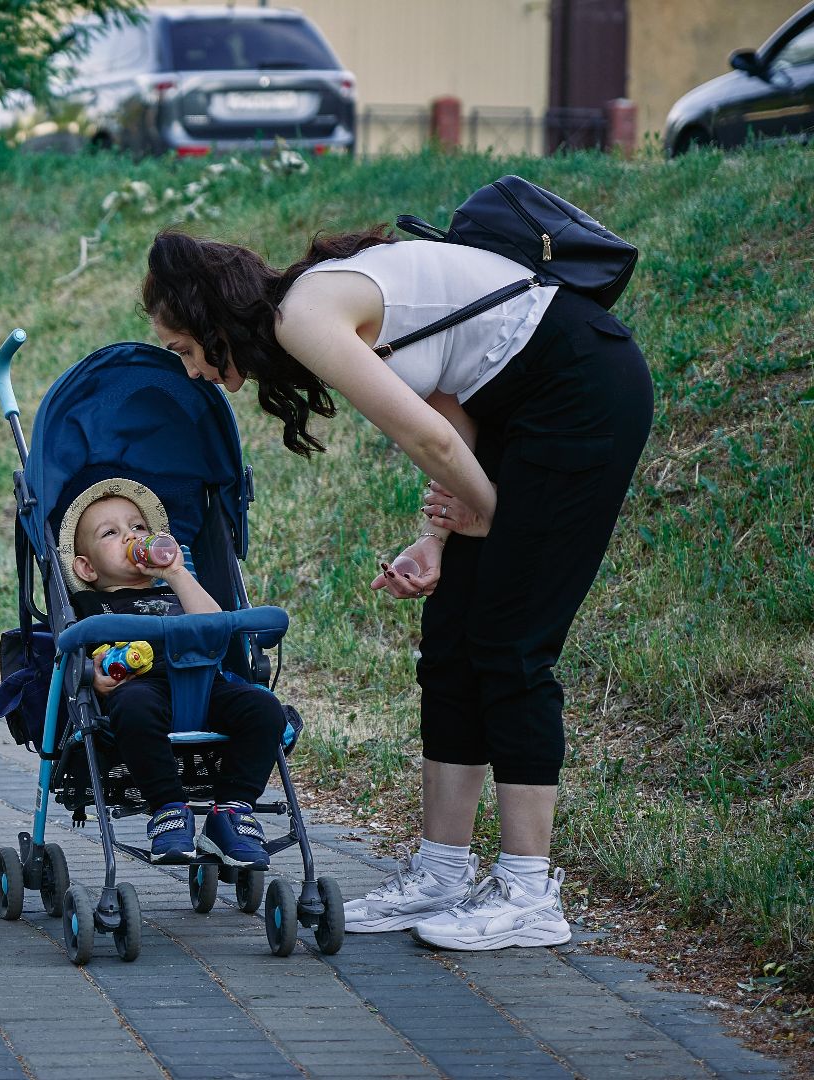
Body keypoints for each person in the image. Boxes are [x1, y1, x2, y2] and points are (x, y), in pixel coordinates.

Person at [140, 226, 652, 950]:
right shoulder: (309, 305)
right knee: (450, 646)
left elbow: (433, 443)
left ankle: (530, 891)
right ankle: (442, 874)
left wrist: (491, 517)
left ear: (212, 321)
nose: (190, 371)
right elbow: (450, 406)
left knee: (509, 644)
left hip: (581, 392)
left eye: (185, 350)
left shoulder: (304, 317)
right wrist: (441, 536)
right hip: (519, 407)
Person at [61, 477, 288, 868]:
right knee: (133, 708)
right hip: (141, 688)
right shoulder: (91, 603)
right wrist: (94, 676)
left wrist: (178, 575)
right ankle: (168, 808)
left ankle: (232, 811)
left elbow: (218, 626)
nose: (131, 537)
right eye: (111, 533)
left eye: (139, 528)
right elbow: (85, 653)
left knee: (265, 708)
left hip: (205, 685)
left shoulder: (177, 590)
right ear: (86, 566)